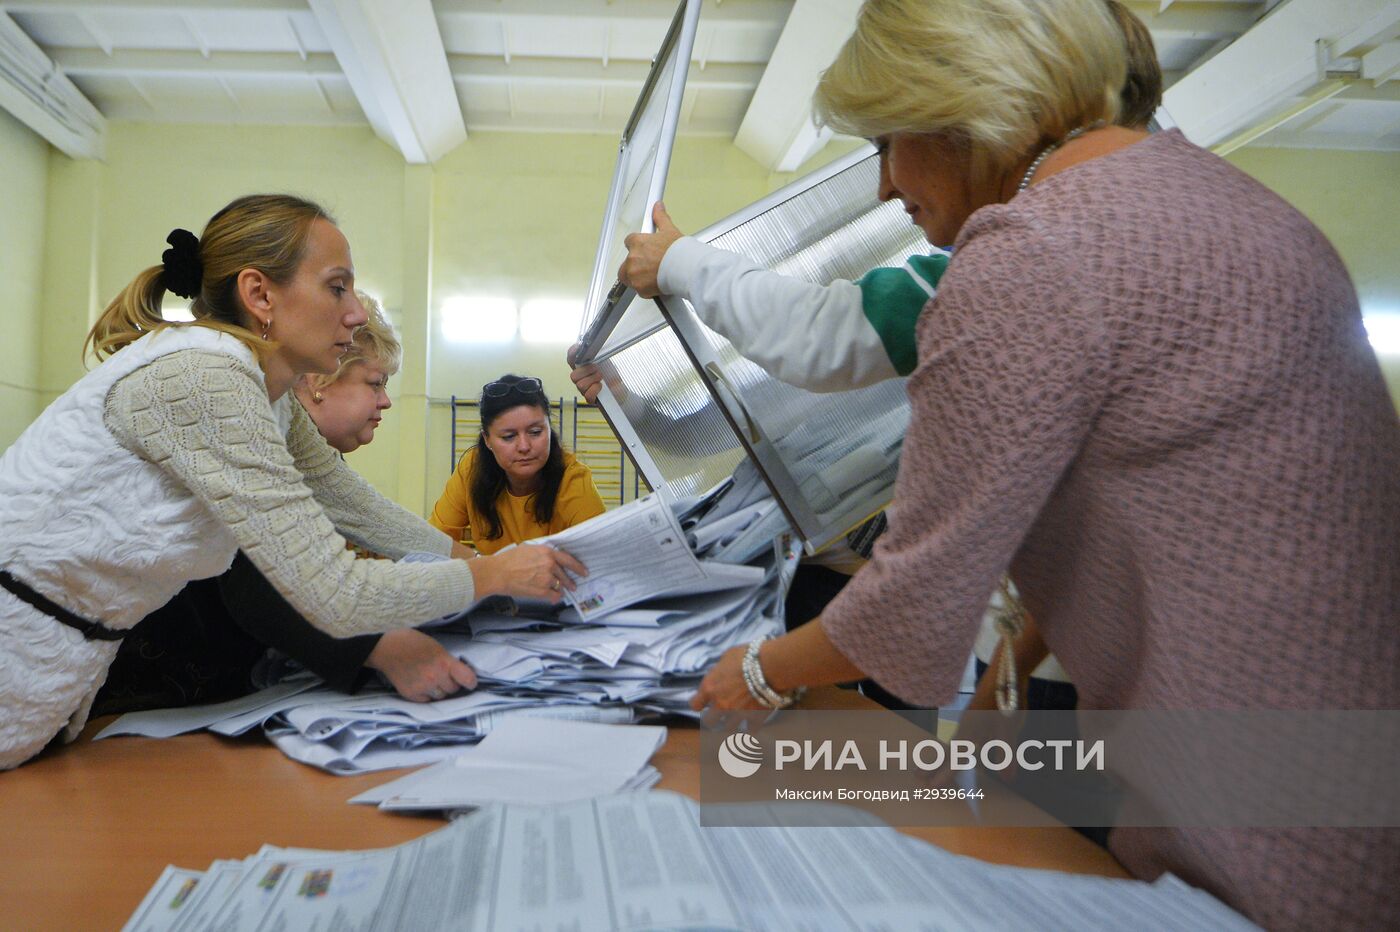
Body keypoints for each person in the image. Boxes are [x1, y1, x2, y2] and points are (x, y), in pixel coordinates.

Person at [623, 1, 1400, 927]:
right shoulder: (1240, 208)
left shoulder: (1028, 252)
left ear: (962, 114)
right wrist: (1011, 669)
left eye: (887, 142)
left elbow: (908, 620)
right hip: (1350, 787)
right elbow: (1177, 506)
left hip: (1260, 841)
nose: (884, 189)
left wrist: (755, 672)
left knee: (760, 797)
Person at [579, 0, 1168, 716]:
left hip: (1120, 684)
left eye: (888, 143)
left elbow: (818, 334)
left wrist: (683, 264)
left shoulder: (1016, 262)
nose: (886, 186)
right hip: (1056, 648)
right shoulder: (1136, 239)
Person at [0, 194, 584, 770]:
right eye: (337, 287)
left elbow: (351, 502)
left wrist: (478, 559)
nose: (354, 313)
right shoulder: (206, 379)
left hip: (63, 655)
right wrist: (488, 575)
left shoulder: (261, 389)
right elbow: (336, 594)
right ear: (259, 294)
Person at [94, 294, 475, 711]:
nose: (385, 401)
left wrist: (476, 567)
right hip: (158, 679)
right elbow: (260, 572)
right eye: (375, 382)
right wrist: (383, 645)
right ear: (317, 379)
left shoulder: (296, 441)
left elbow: (364, 510)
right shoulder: (232, 415)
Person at [429, 375, 606, 555]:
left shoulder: (573, 477)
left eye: (536, 432)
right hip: (494, 580)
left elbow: (602, 555)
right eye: (509, 437)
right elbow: (432, 541)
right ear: (487, 439)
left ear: (549, 430)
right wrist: (487, 567)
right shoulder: (471, 469)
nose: (524, 446)